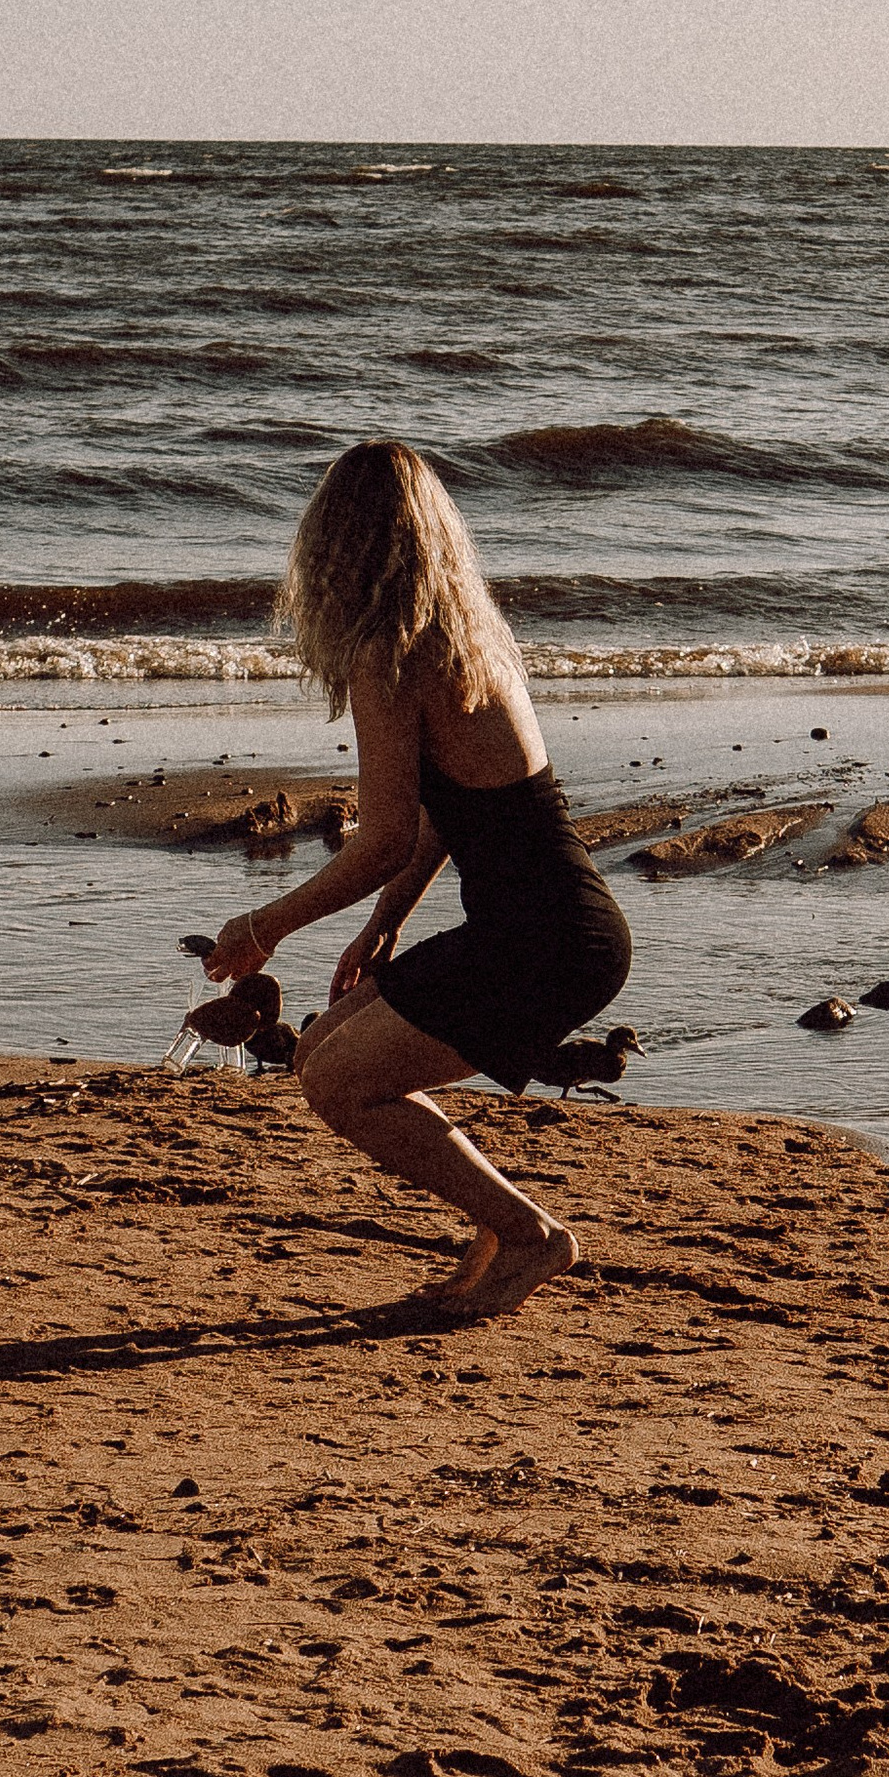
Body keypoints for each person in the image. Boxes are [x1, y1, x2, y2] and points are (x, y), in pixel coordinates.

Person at [195, 440, 633, 1319]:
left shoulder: (387, 656)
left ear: (336, 542)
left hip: (544, 943)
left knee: (340, 1084)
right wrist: (385, 925)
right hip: (548, 927)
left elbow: (386, 838)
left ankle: (530, 1236)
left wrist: (265, 926)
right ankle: (500, 1226)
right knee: (318, 1051)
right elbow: (439, 816)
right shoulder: (472, 639)